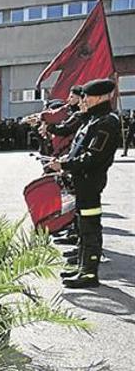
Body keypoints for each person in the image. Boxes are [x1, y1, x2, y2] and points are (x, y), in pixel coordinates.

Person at [48, 78, 121, 289]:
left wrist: (65, 165)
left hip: (91, 182)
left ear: (100, 97)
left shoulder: (107, 122)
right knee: (81, 225)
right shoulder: (93, 120)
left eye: (87, 97)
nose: (84, 100)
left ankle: (89, 273)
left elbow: (93, 157)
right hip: (81, 181)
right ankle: (81, 264)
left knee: (90, 228)